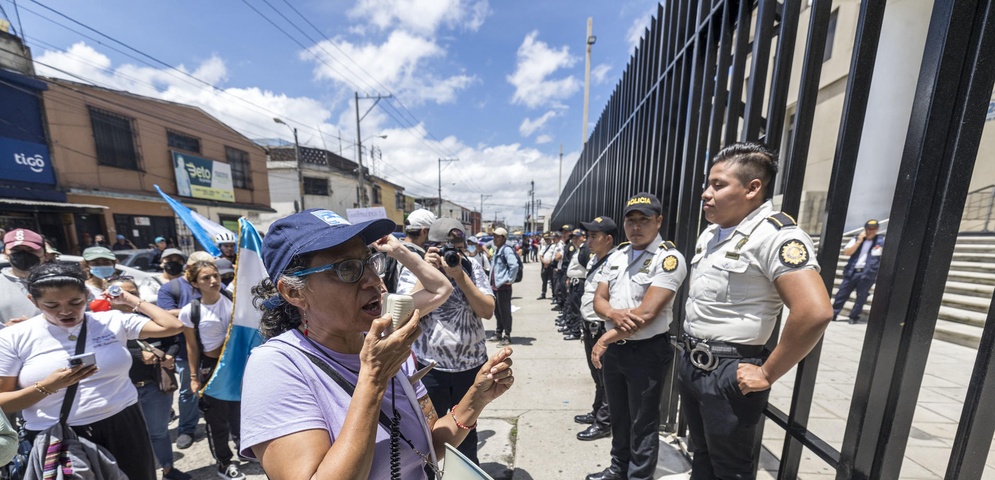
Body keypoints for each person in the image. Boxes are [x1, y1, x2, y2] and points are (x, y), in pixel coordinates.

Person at [240, 209, 513, 479]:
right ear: (294, 292)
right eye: (346, 269)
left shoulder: (389, 349)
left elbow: (427, 446)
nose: (374, 280)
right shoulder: (276, 367)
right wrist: (373, 379)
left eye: (370, 262)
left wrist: (477, 397)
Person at [681, 142, 832, 479]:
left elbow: (814, 311)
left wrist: (767, 373)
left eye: (718, 185)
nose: (706, 194)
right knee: (702, 455)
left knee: (731, 469)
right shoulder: (712, 234)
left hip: (730, 370)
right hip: (693, 363)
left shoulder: (776, 236)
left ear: (753, 188)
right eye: (708, 184)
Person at [0, 262, 185, 480]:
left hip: (125, 423)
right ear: (33, 300)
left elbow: (172, 326)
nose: (65, 311)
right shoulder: (13, 337)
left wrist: (129, 299)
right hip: (61, 435)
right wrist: (48, 387)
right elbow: (4, 401)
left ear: (87, 295)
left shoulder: (110, 321)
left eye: (75, 301)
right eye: (51, 305)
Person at [587, 192, 687, 480]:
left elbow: (646, 314)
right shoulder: (617, 255)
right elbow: (599, 300)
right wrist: (615, 315)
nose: (636, 227)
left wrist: (605, 337)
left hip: (646, 351)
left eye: (644, 220)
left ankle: (639, 476)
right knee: (619, 416)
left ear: (658, 221)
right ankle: (618, 469)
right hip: (617, 352)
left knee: (642, 421)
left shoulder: (668, 259)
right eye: (631, 220)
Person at [403, 217, 495, 464]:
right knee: (426, 434)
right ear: (431, 246)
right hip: (430, 368)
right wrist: (426, 273)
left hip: (471, 366)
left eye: (457, 248)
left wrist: (460, 276)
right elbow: (404, 314)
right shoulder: (414, 268)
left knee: (467, 431)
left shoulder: (472, 267)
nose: (451, 254)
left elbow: (487, 310)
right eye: (445, 248)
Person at [113, 277, 191, 480]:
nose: (125, 299)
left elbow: (173, 339)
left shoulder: (151, 319)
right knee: (129, 439)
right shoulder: (99, 324)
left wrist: (170, 355)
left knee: (159, 432)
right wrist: (139, 356)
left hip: (155, 387)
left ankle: (167, 470)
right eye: (120, 294)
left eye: (131, 294)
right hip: (121, 391)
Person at [178, 260, 244, 479]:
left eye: (215, 275)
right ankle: (224, 462)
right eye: (206, 278)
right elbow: (192, 346)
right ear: (195, 283)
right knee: (216, 418)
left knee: (239, 411)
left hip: (238, 366)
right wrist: (194, 377)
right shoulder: (191, 311)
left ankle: (244, 447)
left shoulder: (233, 301)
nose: (214, 281)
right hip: (211, 368)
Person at [158, 251, 213, 451]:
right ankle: (187, 428)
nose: (211, 278)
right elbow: (164, 315)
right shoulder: (170, 288)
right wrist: (198, 310)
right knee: (189, 391)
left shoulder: (216, 283)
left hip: (214, 349)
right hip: (184, 350)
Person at [574, 216, 618, 442]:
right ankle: (597, 411)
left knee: (606, 376)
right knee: (597, 375)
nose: (588, 240)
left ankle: (604, 422)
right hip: (589, 325)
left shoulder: (616, 261)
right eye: (588, 236)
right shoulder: (594, 260)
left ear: (608, 239)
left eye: (594, 236)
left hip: (602, 327)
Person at [832, 219, 885, 324]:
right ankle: (833, 313)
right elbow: (847, 252)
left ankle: (854, 316)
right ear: (865, 229)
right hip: (852, 271)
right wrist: (859, 241)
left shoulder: (881, 242)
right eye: (869, 229)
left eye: (873, 229)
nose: (871, 231)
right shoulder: (856, 239)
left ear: (877, 229)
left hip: (867, 273)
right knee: (842, 293)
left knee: (862, 296)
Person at [0, 229, 45, 327]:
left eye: (31, 250)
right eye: (16, 250)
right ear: (4, 253)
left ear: (44, 253)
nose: (24, 255)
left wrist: (39, 326)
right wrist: (5, 329)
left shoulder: (61, 282)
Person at [383, 208, 435, 293]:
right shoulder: (414, 257)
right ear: (424, 232)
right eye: (433, 233)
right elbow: (410, 295)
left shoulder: (395, 248)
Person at [490, 227, 519, 346]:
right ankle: (498, 333)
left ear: (503, 238)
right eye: (494, 236)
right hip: (495, 286)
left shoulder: (506, 250)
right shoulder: (498, 249)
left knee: (505, 312)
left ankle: (507, 335)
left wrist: (509, 280)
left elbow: (514, 265)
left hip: (503, 287)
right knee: (497, 311)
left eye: (497, 236)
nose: (495, 238)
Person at [560, 229, 590, 341]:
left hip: (580, 283)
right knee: (573, 306)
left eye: (577, 237)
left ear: (583, 237)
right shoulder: (579, 249)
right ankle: (573, 327)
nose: (574, 239)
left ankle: (576, 331)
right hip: (574, 282)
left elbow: (588, 267)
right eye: (573, 237)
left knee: (576, 308)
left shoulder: (585, 249)